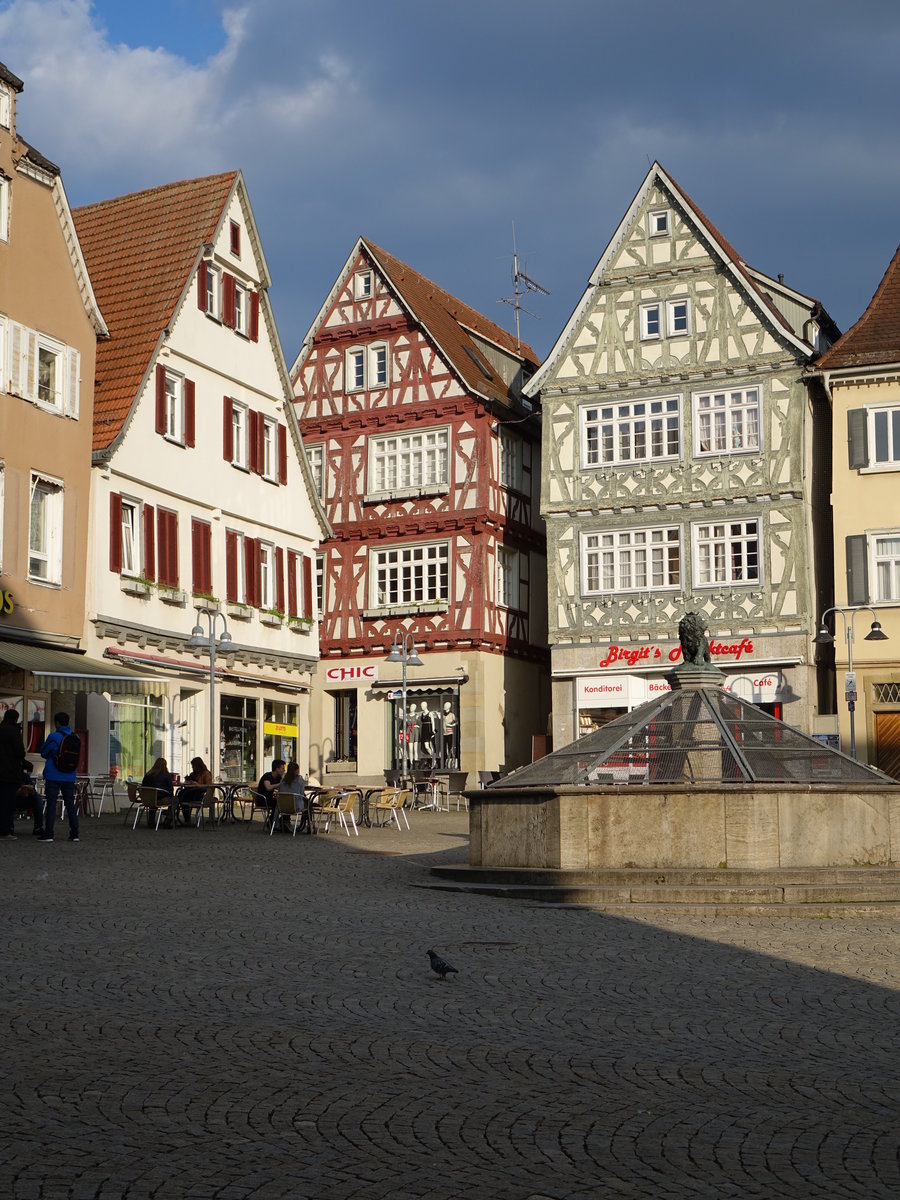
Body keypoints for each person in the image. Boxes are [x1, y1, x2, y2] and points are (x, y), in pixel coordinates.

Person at [39, 711, 79, 843]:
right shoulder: (76, 738)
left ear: (57, 723)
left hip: (53, 775)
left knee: (51, 803)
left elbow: (44, 752)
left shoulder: (54, 736)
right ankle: (74, 834)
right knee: (70, 804)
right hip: (70, 775)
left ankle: (49, 833)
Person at [0, 708, 26, 839]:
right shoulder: (14, 731)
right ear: (16, 718)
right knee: (7, 803)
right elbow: (20, 753)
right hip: (9, 773)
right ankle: (5, 831)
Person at [178, 756, 212, 825]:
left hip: (200, 794)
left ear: (198, 766)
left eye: (194, 766)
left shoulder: (206, 774)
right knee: (181, 793)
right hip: (192, 791)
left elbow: (209, 786)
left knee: (184, 796)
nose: (193, 768)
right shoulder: (193, 774)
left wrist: (197, 784)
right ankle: (184, 816)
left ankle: (185, 818)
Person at [142, 757, 175, 826]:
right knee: (175, 800)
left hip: (147, 799)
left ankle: (151, 821)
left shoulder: (148, 774)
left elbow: (143, 786)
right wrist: (170, 796)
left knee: (153, 799)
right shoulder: (166, 775)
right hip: (160, 799)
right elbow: (170, 789)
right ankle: (168, 819)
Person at [276, 761, 308, 832]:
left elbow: (279, 791)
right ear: (297, 770)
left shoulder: (282, 780)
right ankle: (308, 825)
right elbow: (302, 794)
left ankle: (285, 822)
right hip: (295, 806)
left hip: (282, 806)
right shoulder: (300, 780)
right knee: (309, 804)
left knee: (291, 801)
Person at [257, 758, 286, 827]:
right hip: (263, 799)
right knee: (278, 802)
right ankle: (272, 822)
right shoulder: (267, 776)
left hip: (271, 798)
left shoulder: (279, 777)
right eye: (283, 768)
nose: (284, 770)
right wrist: (280, 784)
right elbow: (268, 787)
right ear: (277, 769)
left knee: (286, 802)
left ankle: (283, 821)